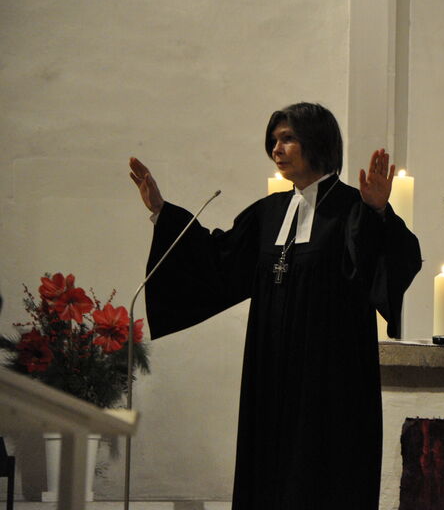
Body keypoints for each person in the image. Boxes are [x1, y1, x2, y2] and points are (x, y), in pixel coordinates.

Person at [129, 102, 421, 509]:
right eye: (273, 141)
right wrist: (163, 213)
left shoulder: (353, 208)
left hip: (331, 376)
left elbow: (391, 262)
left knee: (323, 472)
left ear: (316, 142)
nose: (276, 149)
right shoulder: (270, 212)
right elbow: (218, 260)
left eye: (288, 138)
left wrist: (378, 212)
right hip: (270, 368)